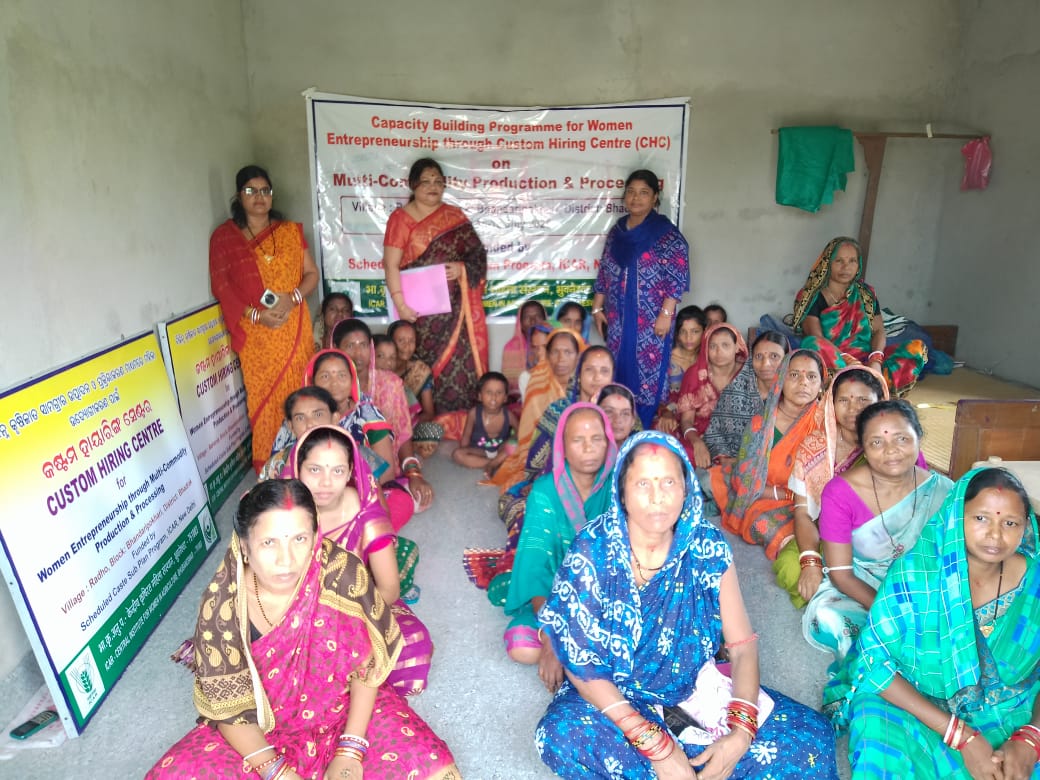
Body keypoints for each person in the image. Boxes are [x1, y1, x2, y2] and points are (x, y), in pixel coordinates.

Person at [535, 431, 839, 779]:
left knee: (813, 739)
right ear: (621, 492)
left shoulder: (706, 545)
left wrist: (739, 735)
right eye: (643, 484)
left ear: (686, 488)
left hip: (693, 688)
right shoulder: (592, 551)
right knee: (559, 734)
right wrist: (656, 746)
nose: (657, 497)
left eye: (668, 482)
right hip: (616, 694)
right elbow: (581, 663)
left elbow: (742, 646)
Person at [146, 479, 459, 779]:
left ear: (315, 537)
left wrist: (351, 750)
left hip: (341, 710)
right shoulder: (222, 605)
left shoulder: (342, 575)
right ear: (244, 547)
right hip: (260, 725)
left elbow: (366, 669)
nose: (286, 560)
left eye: (299, 539)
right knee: (178, 774)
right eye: (269, 542)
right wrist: (276, 772)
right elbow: (227, 709)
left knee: (425, 760)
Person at [838, 468, 1040, 778]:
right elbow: (874, 666)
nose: (995, 535)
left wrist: (1030, 739)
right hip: (915, 702)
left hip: (1011, 707)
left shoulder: (1035, 583)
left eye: (1010, 523)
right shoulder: (915, 575)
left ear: (1026, 525)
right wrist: (962, 737)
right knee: (880, 745)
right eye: (981, 518)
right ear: (955, 516)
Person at [803, 400, 953, 693]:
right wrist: (890, 610)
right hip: (857, 587)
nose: (891, 450)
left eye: (901, 439)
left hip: (919, 587)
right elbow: (841, 574)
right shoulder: (840, 492)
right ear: (862, 448)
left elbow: (951, 560)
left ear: (919, 438)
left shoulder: (944, 491)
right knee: (835, 621)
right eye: (876, 442)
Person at [292, 425, 432, 697]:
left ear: (350, 473)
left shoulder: (364, 511)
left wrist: (342, 623)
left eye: (337, 471)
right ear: (298, 469)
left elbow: (389, 589)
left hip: (360, 608)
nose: (325, 482)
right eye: (314, 469)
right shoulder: (283, 513)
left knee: (412, 646)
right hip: (298, 614)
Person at [209, 165, 318, 472]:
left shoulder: (289, 232)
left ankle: (305, 458)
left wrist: (292, 298)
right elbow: (223, 287)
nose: (259, 197)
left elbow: (311, 274)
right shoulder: (225, 238)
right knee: (263, 397)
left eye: (265, 191)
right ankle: (271, 466)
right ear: (238, 196)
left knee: (299, 389)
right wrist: (258, 315)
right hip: (256, 333)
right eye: (251, 191)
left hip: (293, 326)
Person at [502, 404, 617, 683]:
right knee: (521, 645)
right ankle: (582, 649)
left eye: (597, 438)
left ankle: (581, 650)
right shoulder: (544, 492)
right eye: (578, 440)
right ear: (562, 446)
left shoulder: (620, 486)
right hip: (554, 596)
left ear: (609, 442)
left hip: (610, 596)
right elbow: (535, 569)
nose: (588, 448)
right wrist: (552, 633)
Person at [382, 157, 488, 412]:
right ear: (413, 185)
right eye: (426, 181)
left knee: (458, 368)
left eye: (438, 182)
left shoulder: (454, 216)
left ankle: (456, 419)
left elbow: (477, 255)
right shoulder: (400, 219)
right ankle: (420, 420)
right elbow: (391, 265)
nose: (433, 187)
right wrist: (401, 305)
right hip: (416, 313)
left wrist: (461, 269)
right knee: (418, 365)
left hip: (454, 313)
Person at [777, 366, 889, 606]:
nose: (853, 408)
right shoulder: (813, 446)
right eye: (844, 400)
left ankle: (843, 598)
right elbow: (803, 512)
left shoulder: (891, 447)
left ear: (879, 402)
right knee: (789, 567)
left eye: (862, 400)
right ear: (831, 403)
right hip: (827, 532)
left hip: (879, 536)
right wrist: (810, 562)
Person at [590, 170, 690, 429]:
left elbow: (677, 275)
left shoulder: (665, 234)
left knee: (648, 372)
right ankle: (617, 425)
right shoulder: (618, 231)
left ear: (655, 197)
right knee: (618, 365)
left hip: (652, 319)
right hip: (618, 317)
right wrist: (597, 307)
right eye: (631, 192)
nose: (636, 198)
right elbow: (605, 269)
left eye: (644, 192)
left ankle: (641, 427)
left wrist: (666, 314)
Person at [711, 350, 825, 561]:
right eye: (794, 375)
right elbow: (746, 480)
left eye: (811, 376)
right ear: (781, 379)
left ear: (820, 385)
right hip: (763, 496)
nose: (803, 382)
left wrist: (796, 497)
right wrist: (777, 493)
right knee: (760, 520)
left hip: (807, 501)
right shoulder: (760, 424)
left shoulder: (825, 426)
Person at [792, 236, 927, 394]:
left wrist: (876, 360)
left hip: (868, 360)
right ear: (827, 263)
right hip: (837, 362)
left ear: (858, 264)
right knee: (811, 343)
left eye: (852, 261)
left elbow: (879, 331)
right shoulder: (812, 296)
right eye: (839, 261)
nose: (846, 267)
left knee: (916, 348)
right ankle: (858, 387)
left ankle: (876, 388)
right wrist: (850, 362)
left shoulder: (866, 294)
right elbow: (817, 337)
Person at [489, 328, 585, 493]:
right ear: (547, 355)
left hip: (579, 457)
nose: (561, 359)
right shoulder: (537, 384)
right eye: (555, 352)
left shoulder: (586, 387)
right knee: (510, 493)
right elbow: (530, 432)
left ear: (578, 356)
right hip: (540, 455)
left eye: (568, 352)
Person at [703, 331, 788, 463]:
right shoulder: (734, 393)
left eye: (774, 356)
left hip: (782, 466)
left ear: (787, 360)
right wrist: (726, 460)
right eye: (759, 356)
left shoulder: (794, 396)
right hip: (733, 464)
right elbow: (714, 432)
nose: (765, 364)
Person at [676, 324, 749, 469]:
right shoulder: (695, 374)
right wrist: (697, 443)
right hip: (701, 434)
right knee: (684, 454)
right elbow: (686, 420)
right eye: (713, 346)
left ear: (737, 347)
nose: (719, 352)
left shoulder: (747, 374)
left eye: (725, 345)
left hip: (739, 436)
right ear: (705, 349)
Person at [388, 319, 442, 457]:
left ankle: (401, 448)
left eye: (411, 341)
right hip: (381, 425)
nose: (407, 346)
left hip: (409, 424)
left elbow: (429, 412)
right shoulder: (380, 366)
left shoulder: (420, 370)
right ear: (391, 342)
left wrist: (404, 425)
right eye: (401, 341)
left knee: (433, 431)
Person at [258, 386, 337, 480]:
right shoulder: (277, 463)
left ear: (334, 419)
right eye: (300, 418)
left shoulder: (347, 456)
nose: (309, 424)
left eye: (318, 414)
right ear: (291, 426)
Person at [452, 371, 518, 478]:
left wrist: (512, 440)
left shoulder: (509, 415)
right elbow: (466, 436)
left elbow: (520, 432)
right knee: (457, 454)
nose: (494, 397)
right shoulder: (474, 413)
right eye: (489, 392)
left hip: (501, 450)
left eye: (499, 393)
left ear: (505, 398)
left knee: (517, 444)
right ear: (480, 396)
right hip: (480, 451)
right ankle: (494, 463)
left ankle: (493, 463)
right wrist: (466, 451)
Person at [653, 305, 706, 435]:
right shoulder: (665, 359)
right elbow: (653, 395)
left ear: (704, 331)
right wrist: (665, 412)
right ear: (677, 334)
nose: (689, 337)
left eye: (695, 331)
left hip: (699, 417)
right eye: (683, 331)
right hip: (668, 415)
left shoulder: (708, 359)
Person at [501, 300, 548, 398]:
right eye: (527, 317)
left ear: (545, 319)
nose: (533, 321)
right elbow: (508, 389)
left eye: (538, 316)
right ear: (520, 322)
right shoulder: (510, 347)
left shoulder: (552, 343)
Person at [518, 322, 552, 403]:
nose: (540, 352)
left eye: (545, 346)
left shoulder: (565, 375)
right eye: (535, 347)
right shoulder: (526, 377)